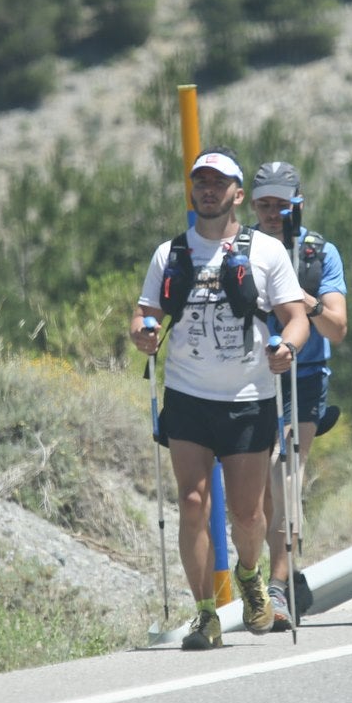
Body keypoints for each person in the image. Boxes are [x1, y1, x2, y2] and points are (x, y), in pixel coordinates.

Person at [132, 147, 310, 650]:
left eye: (219, 182)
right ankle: (206, 612)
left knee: (247, 514)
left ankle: (250, 576)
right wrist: (143, 333)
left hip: (248, 397)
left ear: (237, 194)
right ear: (193, 191)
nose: (208, 190)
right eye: (200, 182)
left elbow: (295, 315)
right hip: (187, 395)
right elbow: (145, 312)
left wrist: (287, 347)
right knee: (192, 503)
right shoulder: (171, 254)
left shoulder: (266, 252)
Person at [249, 160, 348, 631]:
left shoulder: (319, 253)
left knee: (284, 471)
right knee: (264, 491)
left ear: (297, 204)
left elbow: (338, 326)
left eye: (280, 205)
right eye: (263, 205)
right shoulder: (240, 249)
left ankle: (277, 589)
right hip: (250, 378)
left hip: (303, 377)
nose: (272, 213)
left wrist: (300, 299)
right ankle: (286, 575)